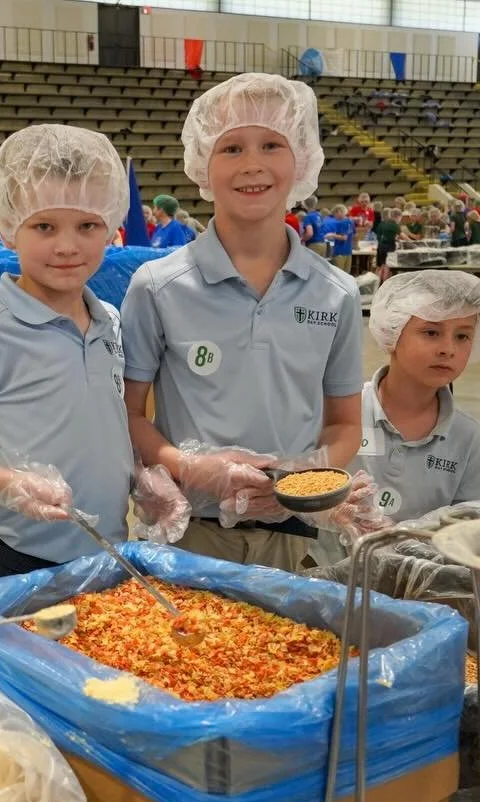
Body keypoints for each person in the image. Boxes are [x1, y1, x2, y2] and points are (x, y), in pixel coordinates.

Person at [0, 124, 190, 582]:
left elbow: (104, 423)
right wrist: (6, 483)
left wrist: (139, 478)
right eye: (44, 226)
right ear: (9, 228)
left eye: (87, 226)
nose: (67, 246)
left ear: (110, 228)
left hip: (110, 548)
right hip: (23, 560)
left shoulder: (108, 319)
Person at [120, 73, 368, 571]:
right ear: (201, 167)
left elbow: (344, 423)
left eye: (272, 145)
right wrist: (190, 467)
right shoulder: (158, 287)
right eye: (230, 148)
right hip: (193, 535)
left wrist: (303, 477)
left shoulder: (336, 292)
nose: (252, 164)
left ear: (301, 159)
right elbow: (127, 417)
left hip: (299, 540)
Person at [358, 271, 480, 522]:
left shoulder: (468, 442)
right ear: (391, 332)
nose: (448, 349)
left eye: (462, 336)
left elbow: (470, 531)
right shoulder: (343, 413)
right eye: (431, 332)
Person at [324, 203, 355, 273]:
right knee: (346, 275)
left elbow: (344, 237)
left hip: (340, 252)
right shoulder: (350, 221)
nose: (334, 217)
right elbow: (354, 235)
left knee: (338, 275)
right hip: (348, 251)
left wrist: (331, 235)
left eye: (335, 214)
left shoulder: (342, 223)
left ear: (339, 212)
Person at [375, 205, 401, 281]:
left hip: (380, 247)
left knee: (380, 266)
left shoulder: (380, 225)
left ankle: (377, 284)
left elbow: (379, 236)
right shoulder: (393, 224)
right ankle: (384, 283)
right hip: (388, 248)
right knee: (387, 267)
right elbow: (401, 235)